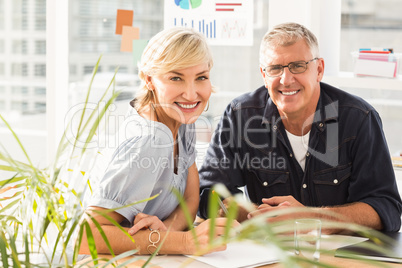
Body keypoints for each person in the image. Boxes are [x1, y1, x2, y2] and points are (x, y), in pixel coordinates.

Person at [198, 22, 402, 233]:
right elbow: (208, 193)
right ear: (264, 75)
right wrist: (257, 214)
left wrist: (312, 218)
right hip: (267, 253)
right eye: (275, 68)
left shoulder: (359, 118)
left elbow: (387, 209)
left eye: (298, 66)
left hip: (340, 256)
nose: (286, 80)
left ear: (319, 69)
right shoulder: (240, 116)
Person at [79, 27, 237, 256]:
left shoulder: (180, 118)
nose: (191, 95)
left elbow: (190, 200)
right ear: (148, 79)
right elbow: (86, 237)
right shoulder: (149, 141)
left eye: (201, 77)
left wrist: (167, 233)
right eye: (176, 78)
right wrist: (183, 242)